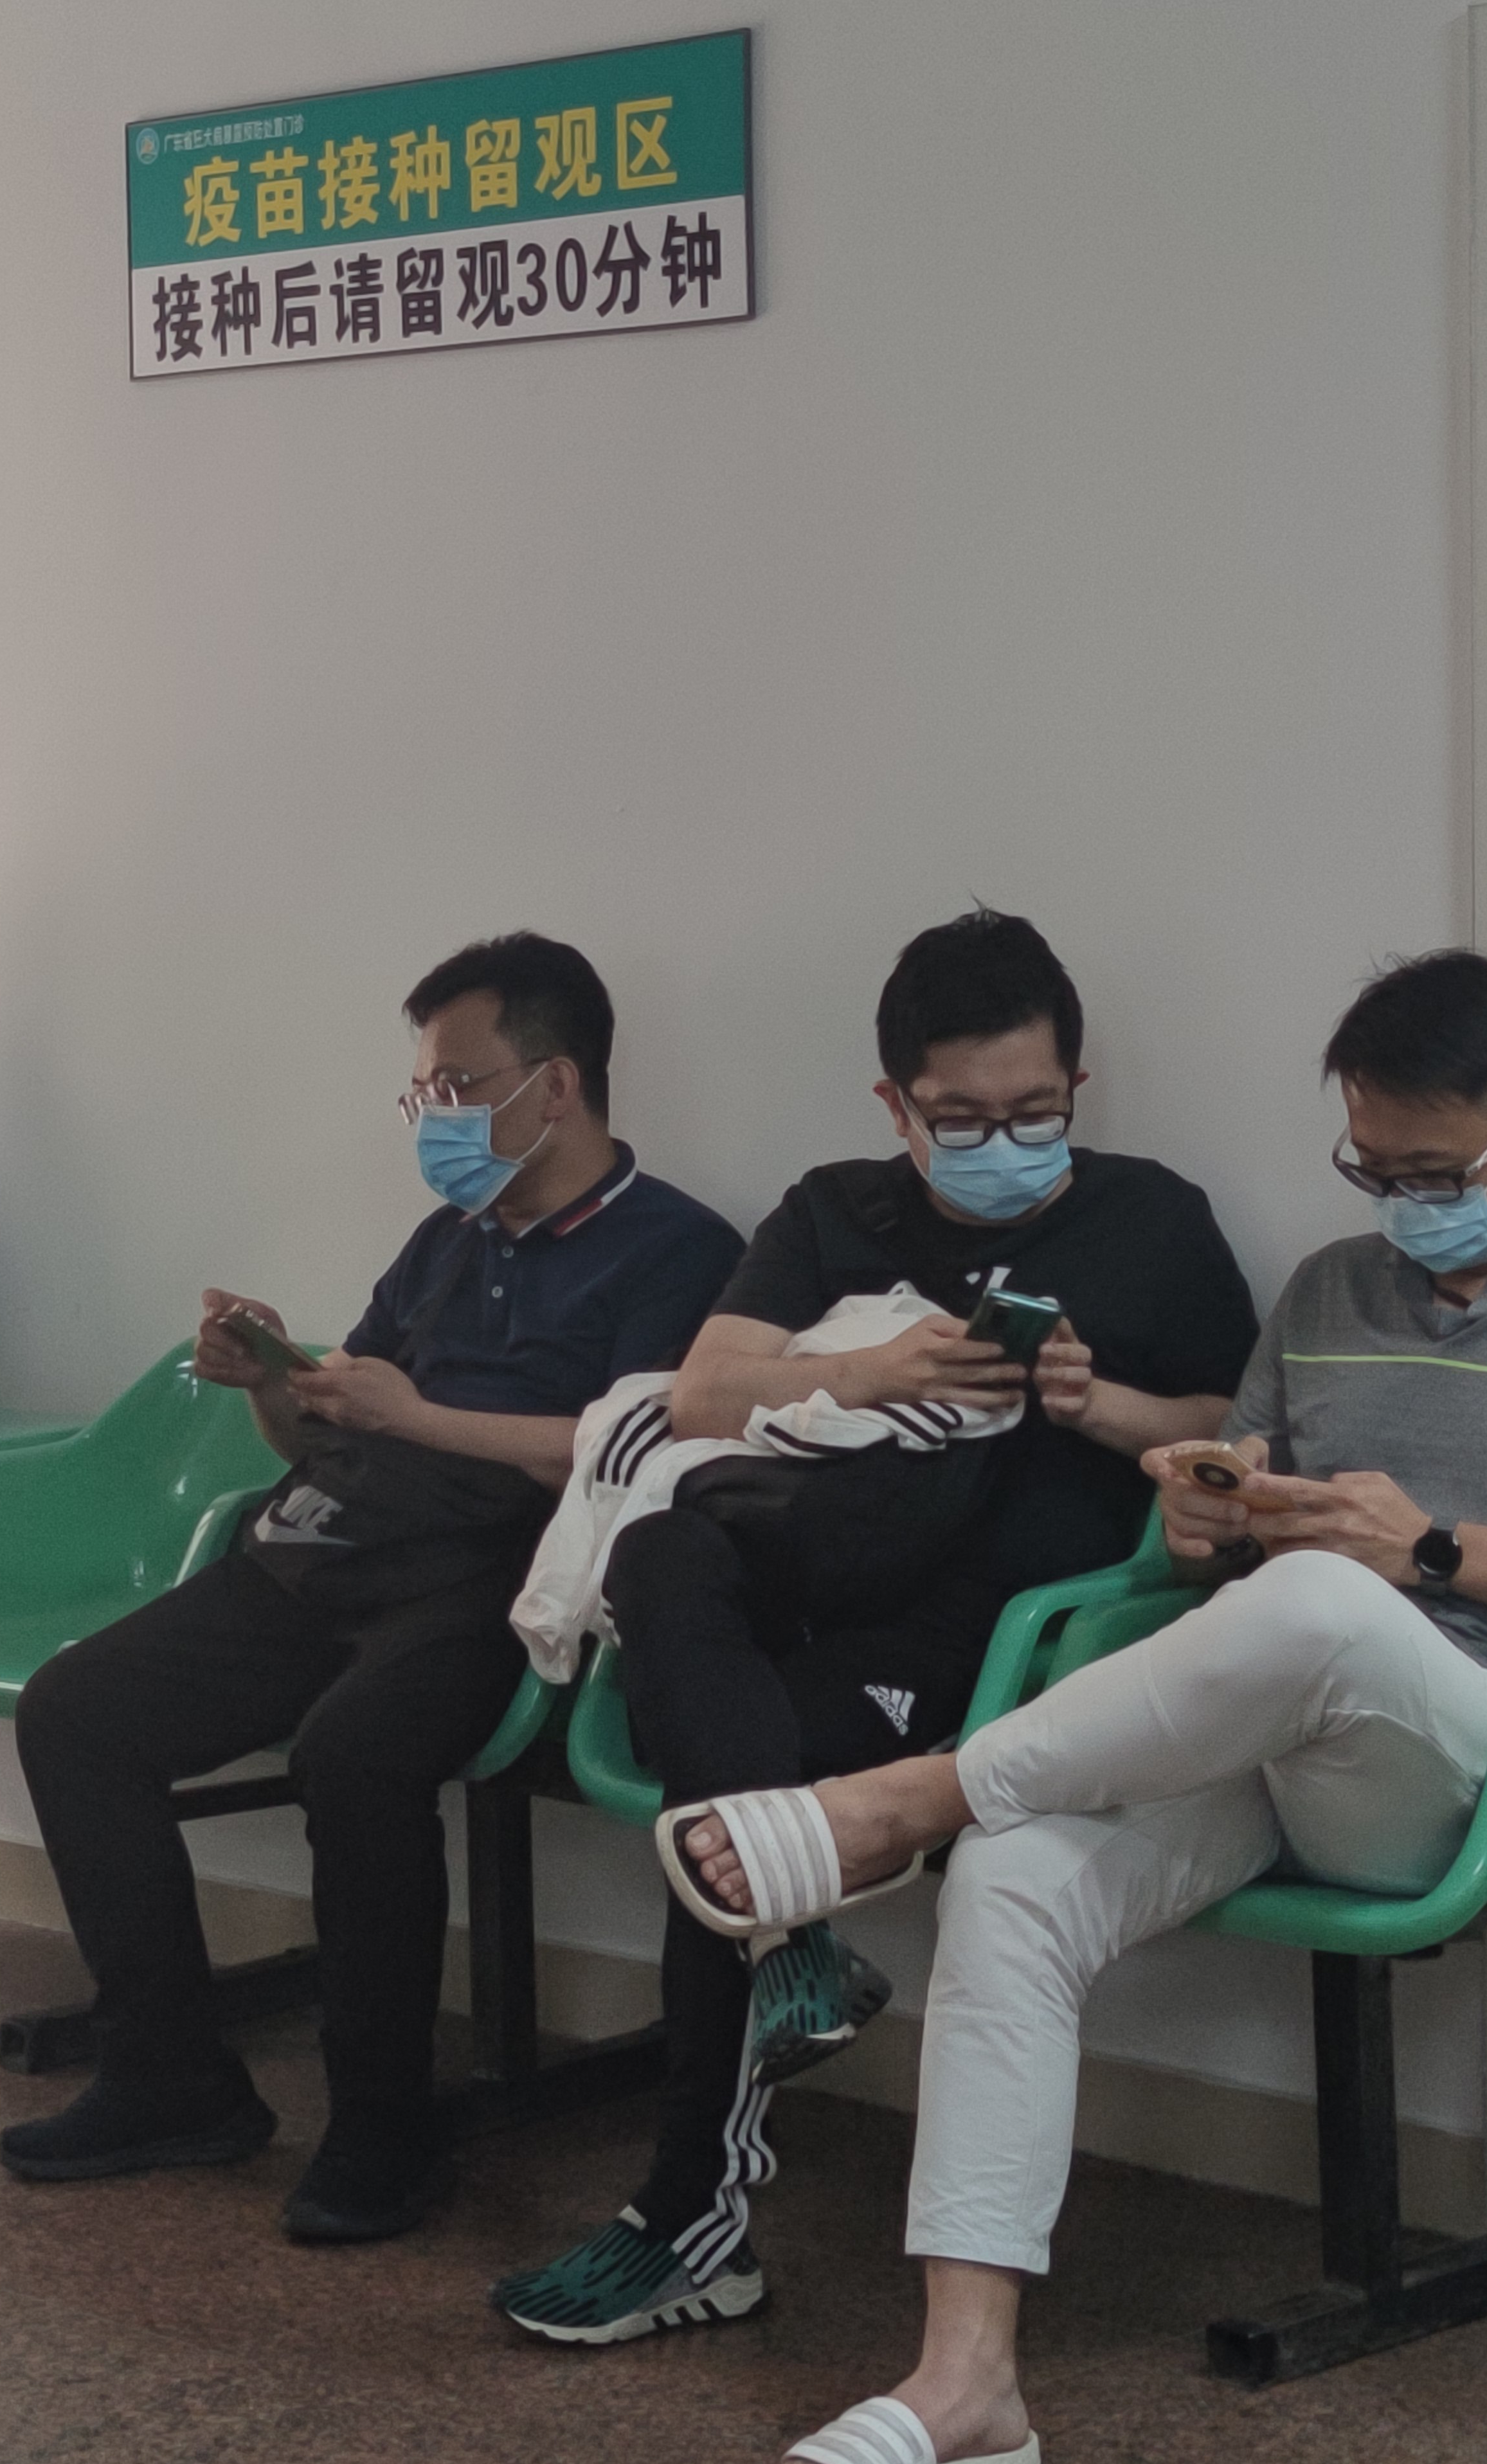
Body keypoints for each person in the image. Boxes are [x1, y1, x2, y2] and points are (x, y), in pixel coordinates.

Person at [662, 948, 1487, 2464]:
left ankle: (914, 1795)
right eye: (1371, 1166)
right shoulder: (1326, 1291)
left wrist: (1430, 1551)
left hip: (1481, 1755)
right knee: (1016, 1875)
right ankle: (968, 2387)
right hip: (1278, 1731)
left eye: (1435, 1173)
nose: (1400, 1202)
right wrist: (1202, 1519)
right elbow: (1224, 1510)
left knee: (1323, 1605)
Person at [495, 910, 1260, 2349]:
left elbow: (1235, 1428)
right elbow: (703, 1390)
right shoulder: (835, 1209)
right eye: (960, 1119)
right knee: (658, 1549)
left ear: (1077, 1086)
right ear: (895, 1106)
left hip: (986, 1632)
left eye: (1034, 1111)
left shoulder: (1151, 1220)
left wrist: (1098, 1405)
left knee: (727, 1803)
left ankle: (687, 2219)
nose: (1002, 1143)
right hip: (807, 1563)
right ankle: (789, 1942)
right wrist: (872, 1371)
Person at [5, 935, 743, 2245]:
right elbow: (338, 1429)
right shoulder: (446, 1243)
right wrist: (274, 1385)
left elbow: (625, 1452)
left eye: (458, 1087)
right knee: (75, 1713)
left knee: (354, 1755)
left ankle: (382, 2126)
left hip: (498, 1578)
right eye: (423, 1093)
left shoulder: (677, 1251)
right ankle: (169, 2075)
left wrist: (422, 1416)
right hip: (333, 1545)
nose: (434, 1117)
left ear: (557, 1085)